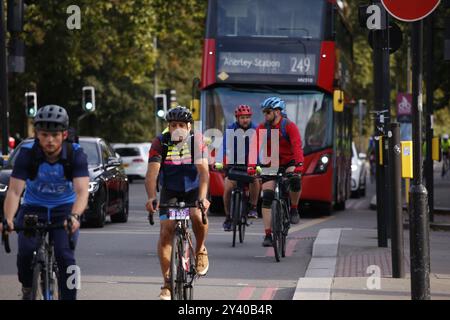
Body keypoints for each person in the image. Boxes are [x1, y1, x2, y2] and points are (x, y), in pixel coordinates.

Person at [1, 105, 89, 300]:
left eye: (55, 135)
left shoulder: (75, 154)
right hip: (34, 207)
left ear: (64, 134)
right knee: (24, 253)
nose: (50, 140)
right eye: (44, 134)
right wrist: (8, 219)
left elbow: (82, 191)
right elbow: (15, 191)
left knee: (66, 257)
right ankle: (27, 287)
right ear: (37, 134)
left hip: (64, 208)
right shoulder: (27, 154)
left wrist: (75, 216)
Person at [145, 106, 210, 300]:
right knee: (166, 230)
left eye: (182, 125)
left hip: (194, 189)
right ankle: (167, 284)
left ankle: (200, 250)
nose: (178, 129)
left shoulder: (196, 141)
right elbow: (152, 174)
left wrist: (203, 197)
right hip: (170, 190)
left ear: (189, 127)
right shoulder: (160, 142)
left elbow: (204, 173)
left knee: (196, 215)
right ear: (169, 127)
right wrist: (150, 197)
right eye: (173, 125)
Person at [253, 97, 304, 247]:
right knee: (267, 196)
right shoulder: (263, 127)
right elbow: (254, 147)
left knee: (295, 179)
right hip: (271, 163)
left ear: (277, 112)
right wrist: (251, 165)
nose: (265, 115)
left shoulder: (289, 126)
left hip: (289, 161)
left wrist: (299, 165)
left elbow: (297, 146)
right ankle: (268, 234)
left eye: (268, 112)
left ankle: (293, 208)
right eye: (264, 112)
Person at [221, 105, 261, 232]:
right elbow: (223, 147)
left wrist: (259, 164)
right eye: (242, 117)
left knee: (255, 180)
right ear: (237, 118)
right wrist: (220, 161)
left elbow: (261, 148)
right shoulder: (230, 129)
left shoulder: (256, 130)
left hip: (250, 164)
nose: (245, 120)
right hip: (233, 164)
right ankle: (228, 217)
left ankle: (253, 207)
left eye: (248, 117)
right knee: (227, 189)